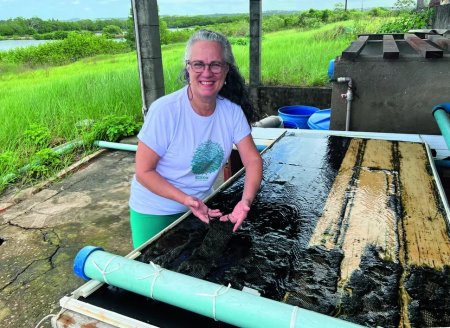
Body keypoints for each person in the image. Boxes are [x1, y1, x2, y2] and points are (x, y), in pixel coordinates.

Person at [128, 29, 263, 249]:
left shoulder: (232, 112)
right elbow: (144, 172)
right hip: (155, 210)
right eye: (198, 64)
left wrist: (245, 201)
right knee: (152, 273)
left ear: (226, 70)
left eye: (215, 65)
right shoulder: (165, 111)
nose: (207, 72)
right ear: (188, 68)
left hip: (202, 207)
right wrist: (185, 200)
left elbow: (253, 160)